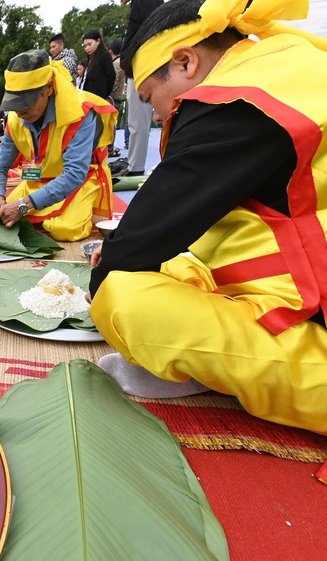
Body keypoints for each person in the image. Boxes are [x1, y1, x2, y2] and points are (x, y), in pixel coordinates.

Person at [88, 0, 327, 436]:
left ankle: (212, 364)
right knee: (173, 265)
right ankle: (208, 359)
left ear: (185, 62)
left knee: (122, 297)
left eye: (148, 99)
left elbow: (154, 223)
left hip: (315, 316)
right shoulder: (281, 67)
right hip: (296, 267)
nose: (157, 115)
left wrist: (103, 276)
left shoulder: (239, 95)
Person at [0, 50, 116, 242]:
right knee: (2, 217)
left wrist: (23, 206)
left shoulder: (80, 113)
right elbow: (1, 166)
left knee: (64, 229)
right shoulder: (16, 119)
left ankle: (90, 213)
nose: (21, 112)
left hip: (80, 181)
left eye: (27, 103)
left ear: (48, 87)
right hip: (40, 180)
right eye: (15, 104)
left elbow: (74, 174)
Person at [121, 0, 164, 176]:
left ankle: (135, 166)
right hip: (141, 64)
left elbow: (149, 34)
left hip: (144, 65)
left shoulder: (146, 2)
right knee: (136, 120)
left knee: (139, 120)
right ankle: (134, 164)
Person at [81, 30, 116, 102]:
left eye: (89, 44)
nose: (87, 48)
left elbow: (111, 76)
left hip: (98, 99)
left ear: (98, 41)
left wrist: (104, 94)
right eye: (85, 46)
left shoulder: (104, 56)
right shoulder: (91, 59)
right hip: (88, 98)